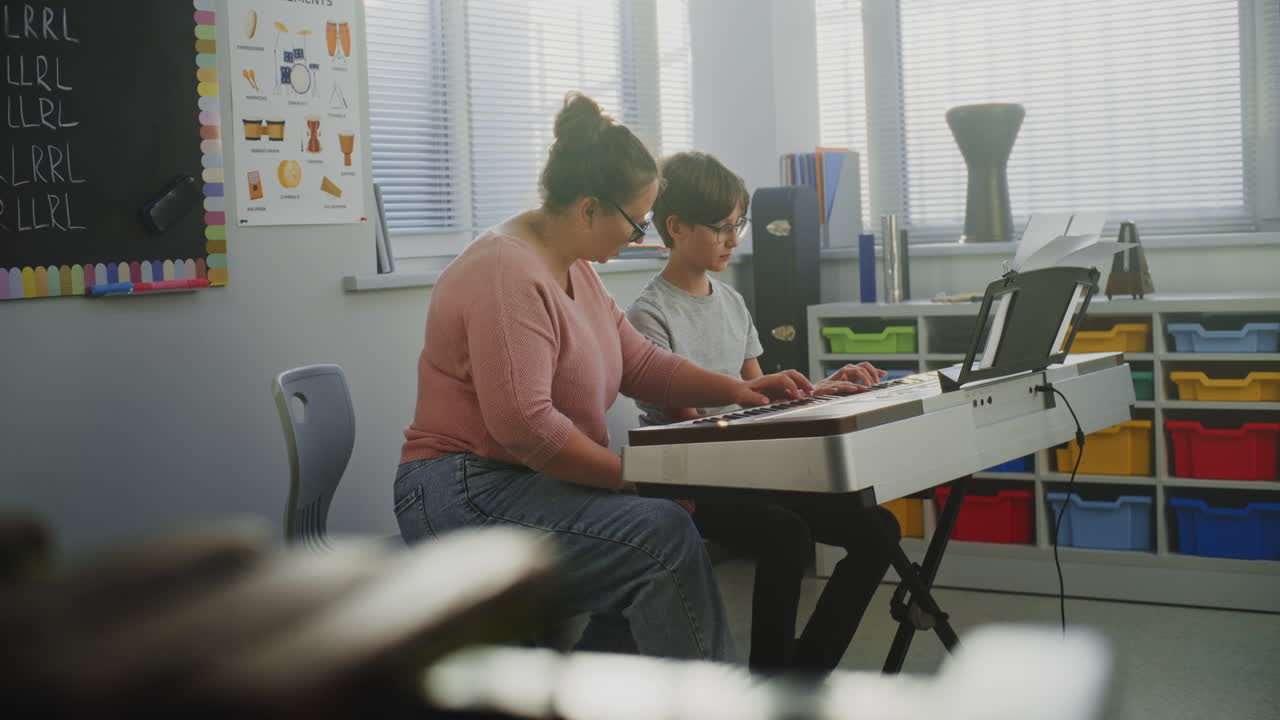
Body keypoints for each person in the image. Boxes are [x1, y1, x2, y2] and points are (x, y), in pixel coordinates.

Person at [392, 94, 817, 662]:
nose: (641, 235)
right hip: (461, 490)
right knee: (660, 536)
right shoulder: (506, 272)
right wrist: (630, 478)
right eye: (636, 220)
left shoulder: (575, 269)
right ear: (590, 207)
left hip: (517, 482)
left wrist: (739, 390)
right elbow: (525, 427)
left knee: (656, 535)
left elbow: (640, 364)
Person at [625, 151, 901, 674]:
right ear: (676, 226)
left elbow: (756, 395)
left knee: (878, 530)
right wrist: (769, 402)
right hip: (690, 478)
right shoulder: (648, 315)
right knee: (786, 533)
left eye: (740, 225)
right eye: (722, 228)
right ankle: (770, 678)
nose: (735, 240)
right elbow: (691, 429)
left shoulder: (730, 301)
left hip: (746, 466)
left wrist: (819, 389)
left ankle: (804, 674)